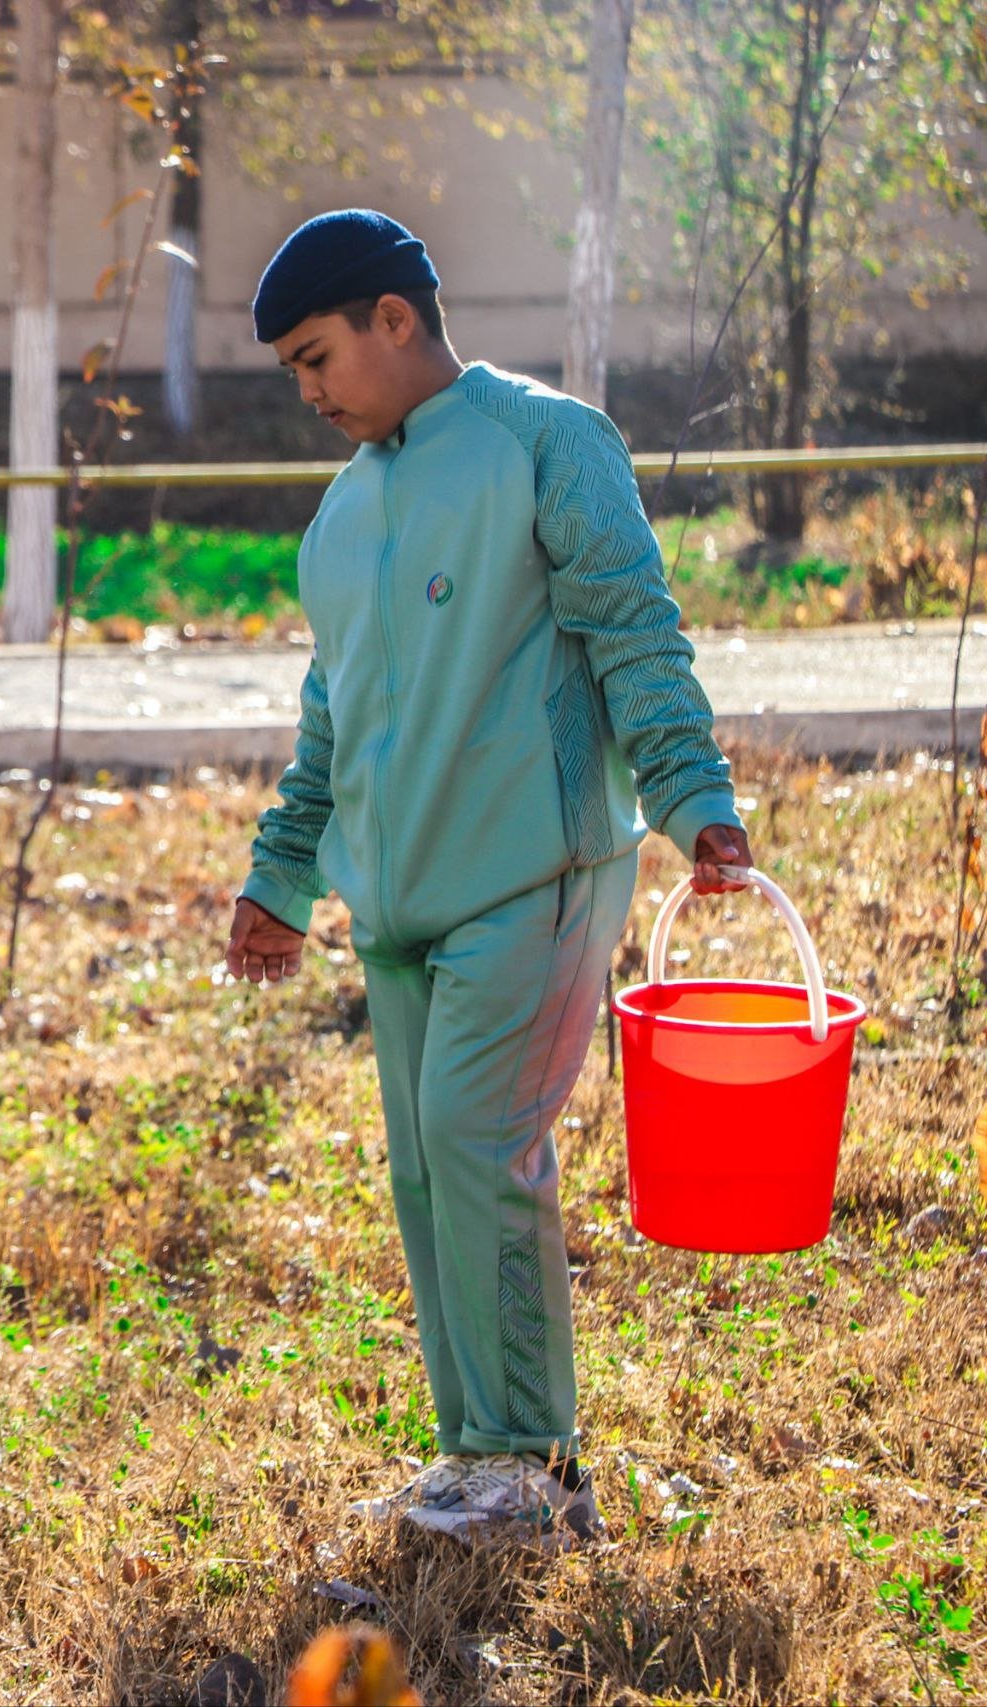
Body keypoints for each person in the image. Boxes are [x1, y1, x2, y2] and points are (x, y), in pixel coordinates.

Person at [225, 211, 757, 1546]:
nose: (310, 392)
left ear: (394, 319)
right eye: (293, 370)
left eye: (317, 356)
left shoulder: (547, 443)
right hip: (397, 907)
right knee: (425, 1171)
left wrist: (694, 799)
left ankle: (533, 1463)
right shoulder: (345, 513)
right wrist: (281, 874)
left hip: (536, 875)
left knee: (478, 1144)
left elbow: (634, 628)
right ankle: (475, 1452)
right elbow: (328, 717)